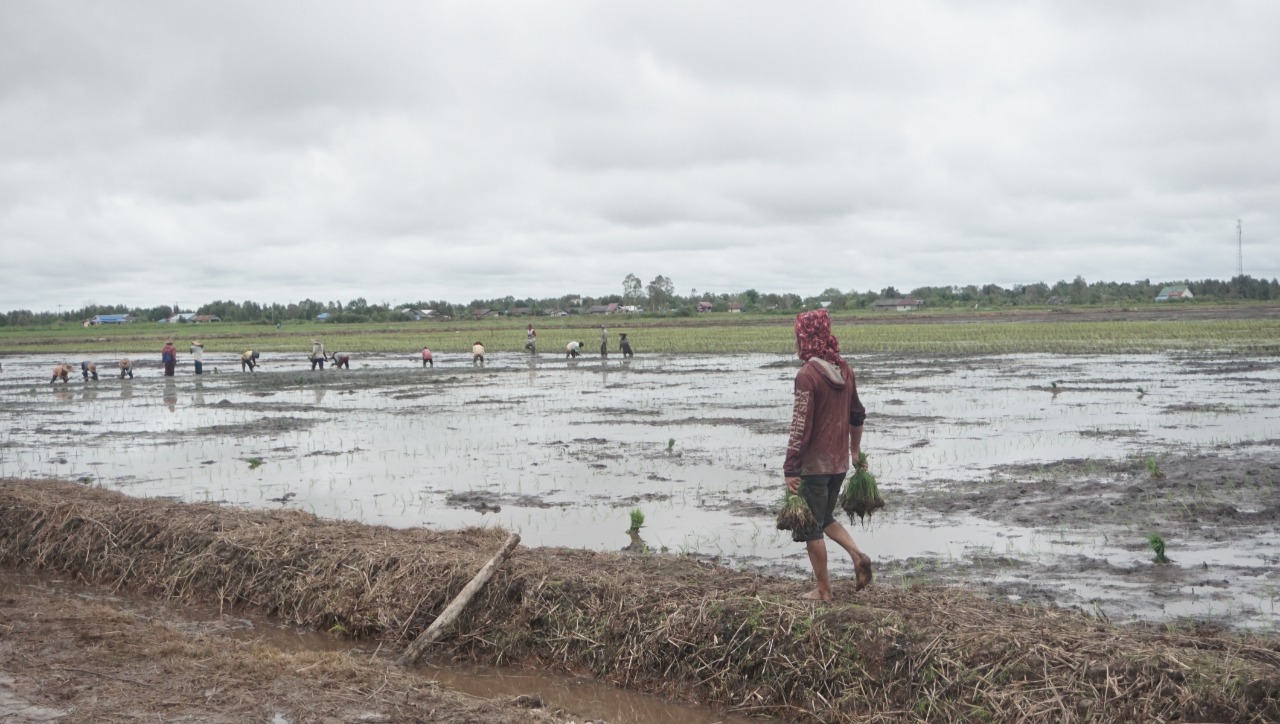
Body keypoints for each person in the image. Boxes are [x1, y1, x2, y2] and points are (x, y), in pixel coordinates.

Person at [783, 308, 872, 600]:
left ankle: (823, 590)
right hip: (839, 464)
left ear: (806, 338)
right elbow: (857, 415)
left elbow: (800, 426)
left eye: (798, 337)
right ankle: (858, 555)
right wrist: (855, 451)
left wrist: (791, 468)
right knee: (824, 517)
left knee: (811, 528)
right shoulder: (844, 370)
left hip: (815, 466)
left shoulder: (808, 375)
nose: (796, 341)